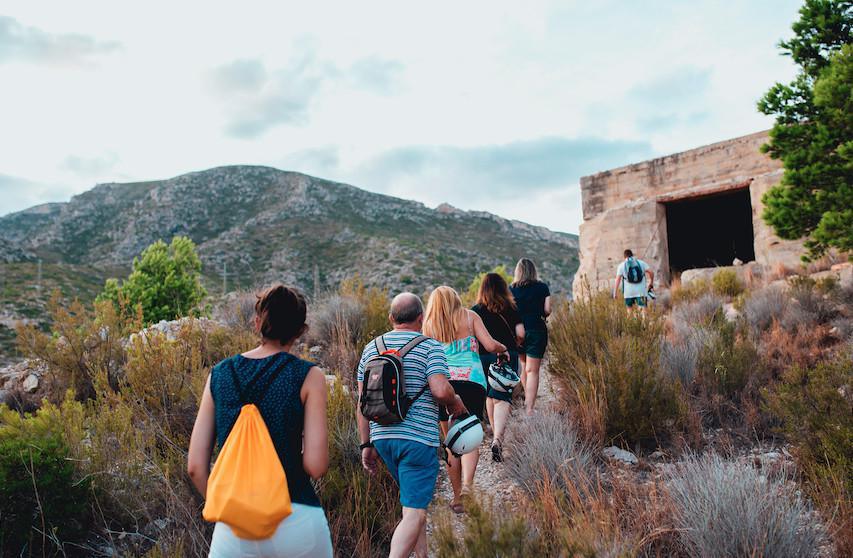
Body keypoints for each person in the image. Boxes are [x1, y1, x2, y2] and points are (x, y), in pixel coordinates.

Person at [188, 285, 333, 558]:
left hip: (234, 530)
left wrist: (232, 507)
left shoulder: (220, 375)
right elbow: (316, 466)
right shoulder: (308, 376)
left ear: (257, 323)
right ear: (301, 330)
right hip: (296, 516)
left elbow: (196, 466)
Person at [357, 293, 466, 558]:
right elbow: (440, 390)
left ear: (391, 318)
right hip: (418, 441)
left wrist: (366, 444)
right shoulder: (430, 346)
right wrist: (456, 402)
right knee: (415, 513)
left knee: (412, 508)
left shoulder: (372, 347)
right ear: (421, 318)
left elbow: (362, 402)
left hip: (383, 438)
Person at [423, 286, 508, 513]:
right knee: (470, 435)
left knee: (451, 442)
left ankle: (457, 497)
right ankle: (469, 486)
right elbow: (490, 345)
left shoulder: (429, 325)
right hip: (472, 383)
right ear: (455, 299)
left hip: (443, 386)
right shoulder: (470, 317)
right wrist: (503, 349)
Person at [472, 273, 524, 462]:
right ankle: (497, 439)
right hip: (506, 355)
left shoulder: (475, 310)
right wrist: (515, 343)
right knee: (502, 398)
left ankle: (495, 435)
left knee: (489, 395)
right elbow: (521, 333)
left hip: (483, 358)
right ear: (503, 288)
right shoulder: (510, 307)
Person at [509, 258, 551, 416]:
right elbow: (547, 310)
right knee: (532, 370)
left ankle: (528, 401)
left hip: (518, 331)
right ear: (533, 270)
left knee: (524, 366)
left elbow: (509, 311)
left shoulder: (511, 289)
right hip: (536, 329)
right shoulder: (542, 287)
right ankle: (529, 408)